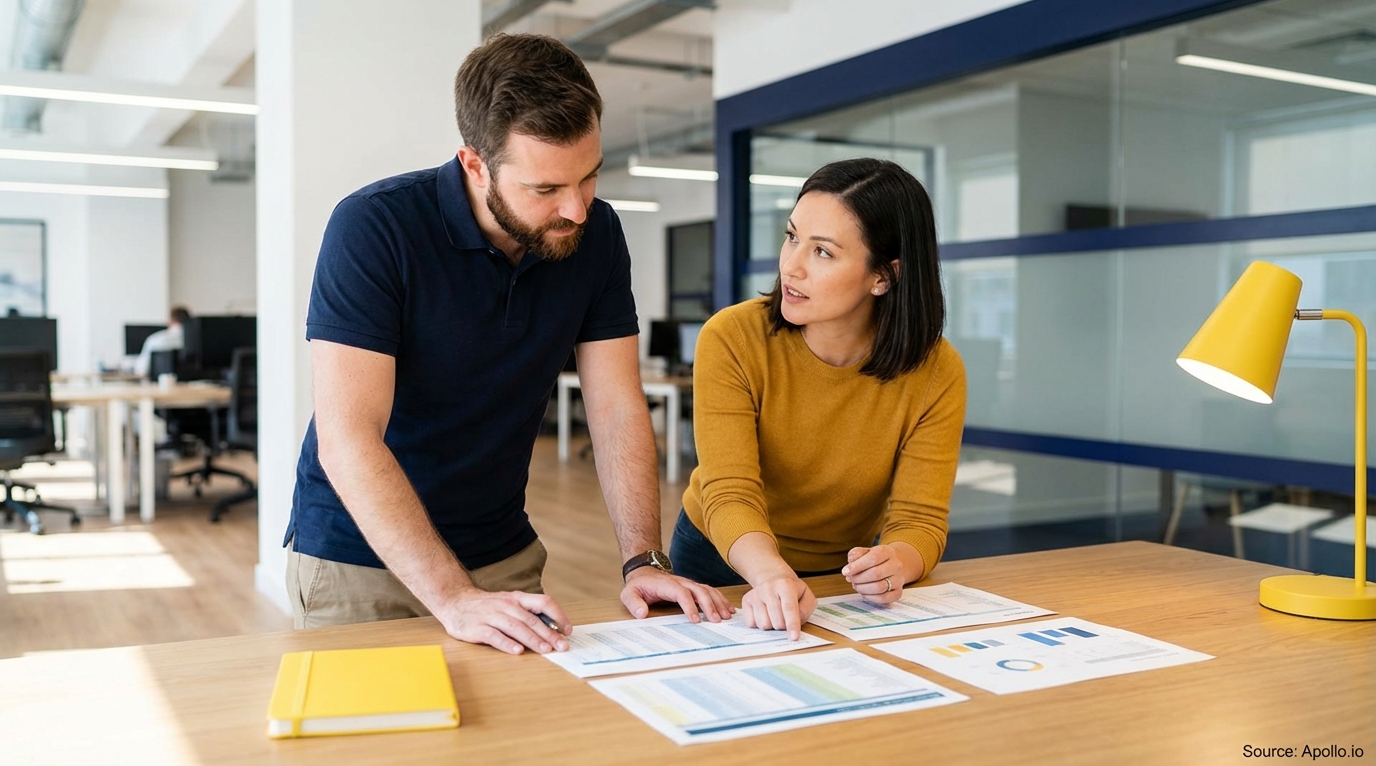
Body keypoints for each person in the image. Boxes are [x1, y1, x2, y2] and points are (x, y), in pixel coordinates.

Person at [285, 34, 731, 656]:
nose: (576, 208)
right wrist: (452, 596)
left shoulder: (597, 235)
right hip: (360, 562)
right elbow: (348, 435)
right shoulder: (374, 227)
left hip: (503, 557)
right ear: (475, 164)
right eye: (546, 189)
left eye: (590, 177)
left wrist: (643, 559)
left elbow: (615, 406)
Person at [670, 158, 967, 640]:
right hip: (723, 555)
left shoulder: (937, 371)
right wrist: (770, 574)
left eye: (823, 252)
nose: (791, 265)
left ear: (884, 277)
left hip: (840, 575)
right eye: (792, 237)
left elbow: (920, 521)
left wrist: (897, 562)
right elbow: (729, 491)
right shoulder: (732, 337)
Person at [135, 305, 192, 377]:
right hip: (193, 385)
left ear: (171, 320)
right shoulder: (196, 340)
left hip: (160, 384)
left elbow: (142, 370)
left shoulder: (155, 340)